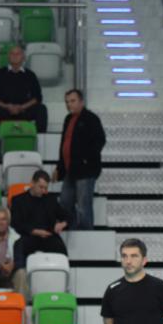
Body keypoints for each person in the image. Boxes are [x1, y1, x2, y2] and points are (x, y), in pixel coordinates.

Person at [54, 89, 106, 230]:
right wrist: (59, 167)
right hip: (70, 169)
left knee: (83, 206)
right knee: (65, 203)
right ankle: (68, 231)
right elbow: (64, 145)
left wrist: (85, 160)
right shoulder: (68, 119)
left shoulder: (91, 119)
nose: (69, 104)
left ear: (81, 102)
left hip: (85, 170)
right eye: (67, 102)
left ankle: (86, 234)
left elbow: (100, 141)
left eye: (72, 101)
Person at [0, 45, 47, 133]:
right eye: (12, 54)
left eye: (18, 54)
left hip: (24, 110)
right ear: (8, 57)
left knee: (42, 109)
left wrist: (22, 107)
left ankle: (40, 137)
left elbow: (37, 98)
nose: (15, 56)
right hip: (4, 110)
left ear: (23, 57)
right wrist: (7, 106)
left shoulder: (30, 75)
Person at [10, 170, 69, 257]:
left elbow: (67, 216)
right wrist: (34, 231)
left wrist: (63, 224)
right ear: (32, 183)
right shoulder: (18, 200)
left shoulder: (50, 200)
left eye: (46, 188)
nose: (44, 191)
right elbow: (15, 223)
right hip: (28, 236)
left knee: (61, 250)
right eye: (41, 187)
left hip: (49, 237)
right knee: (19, 248)